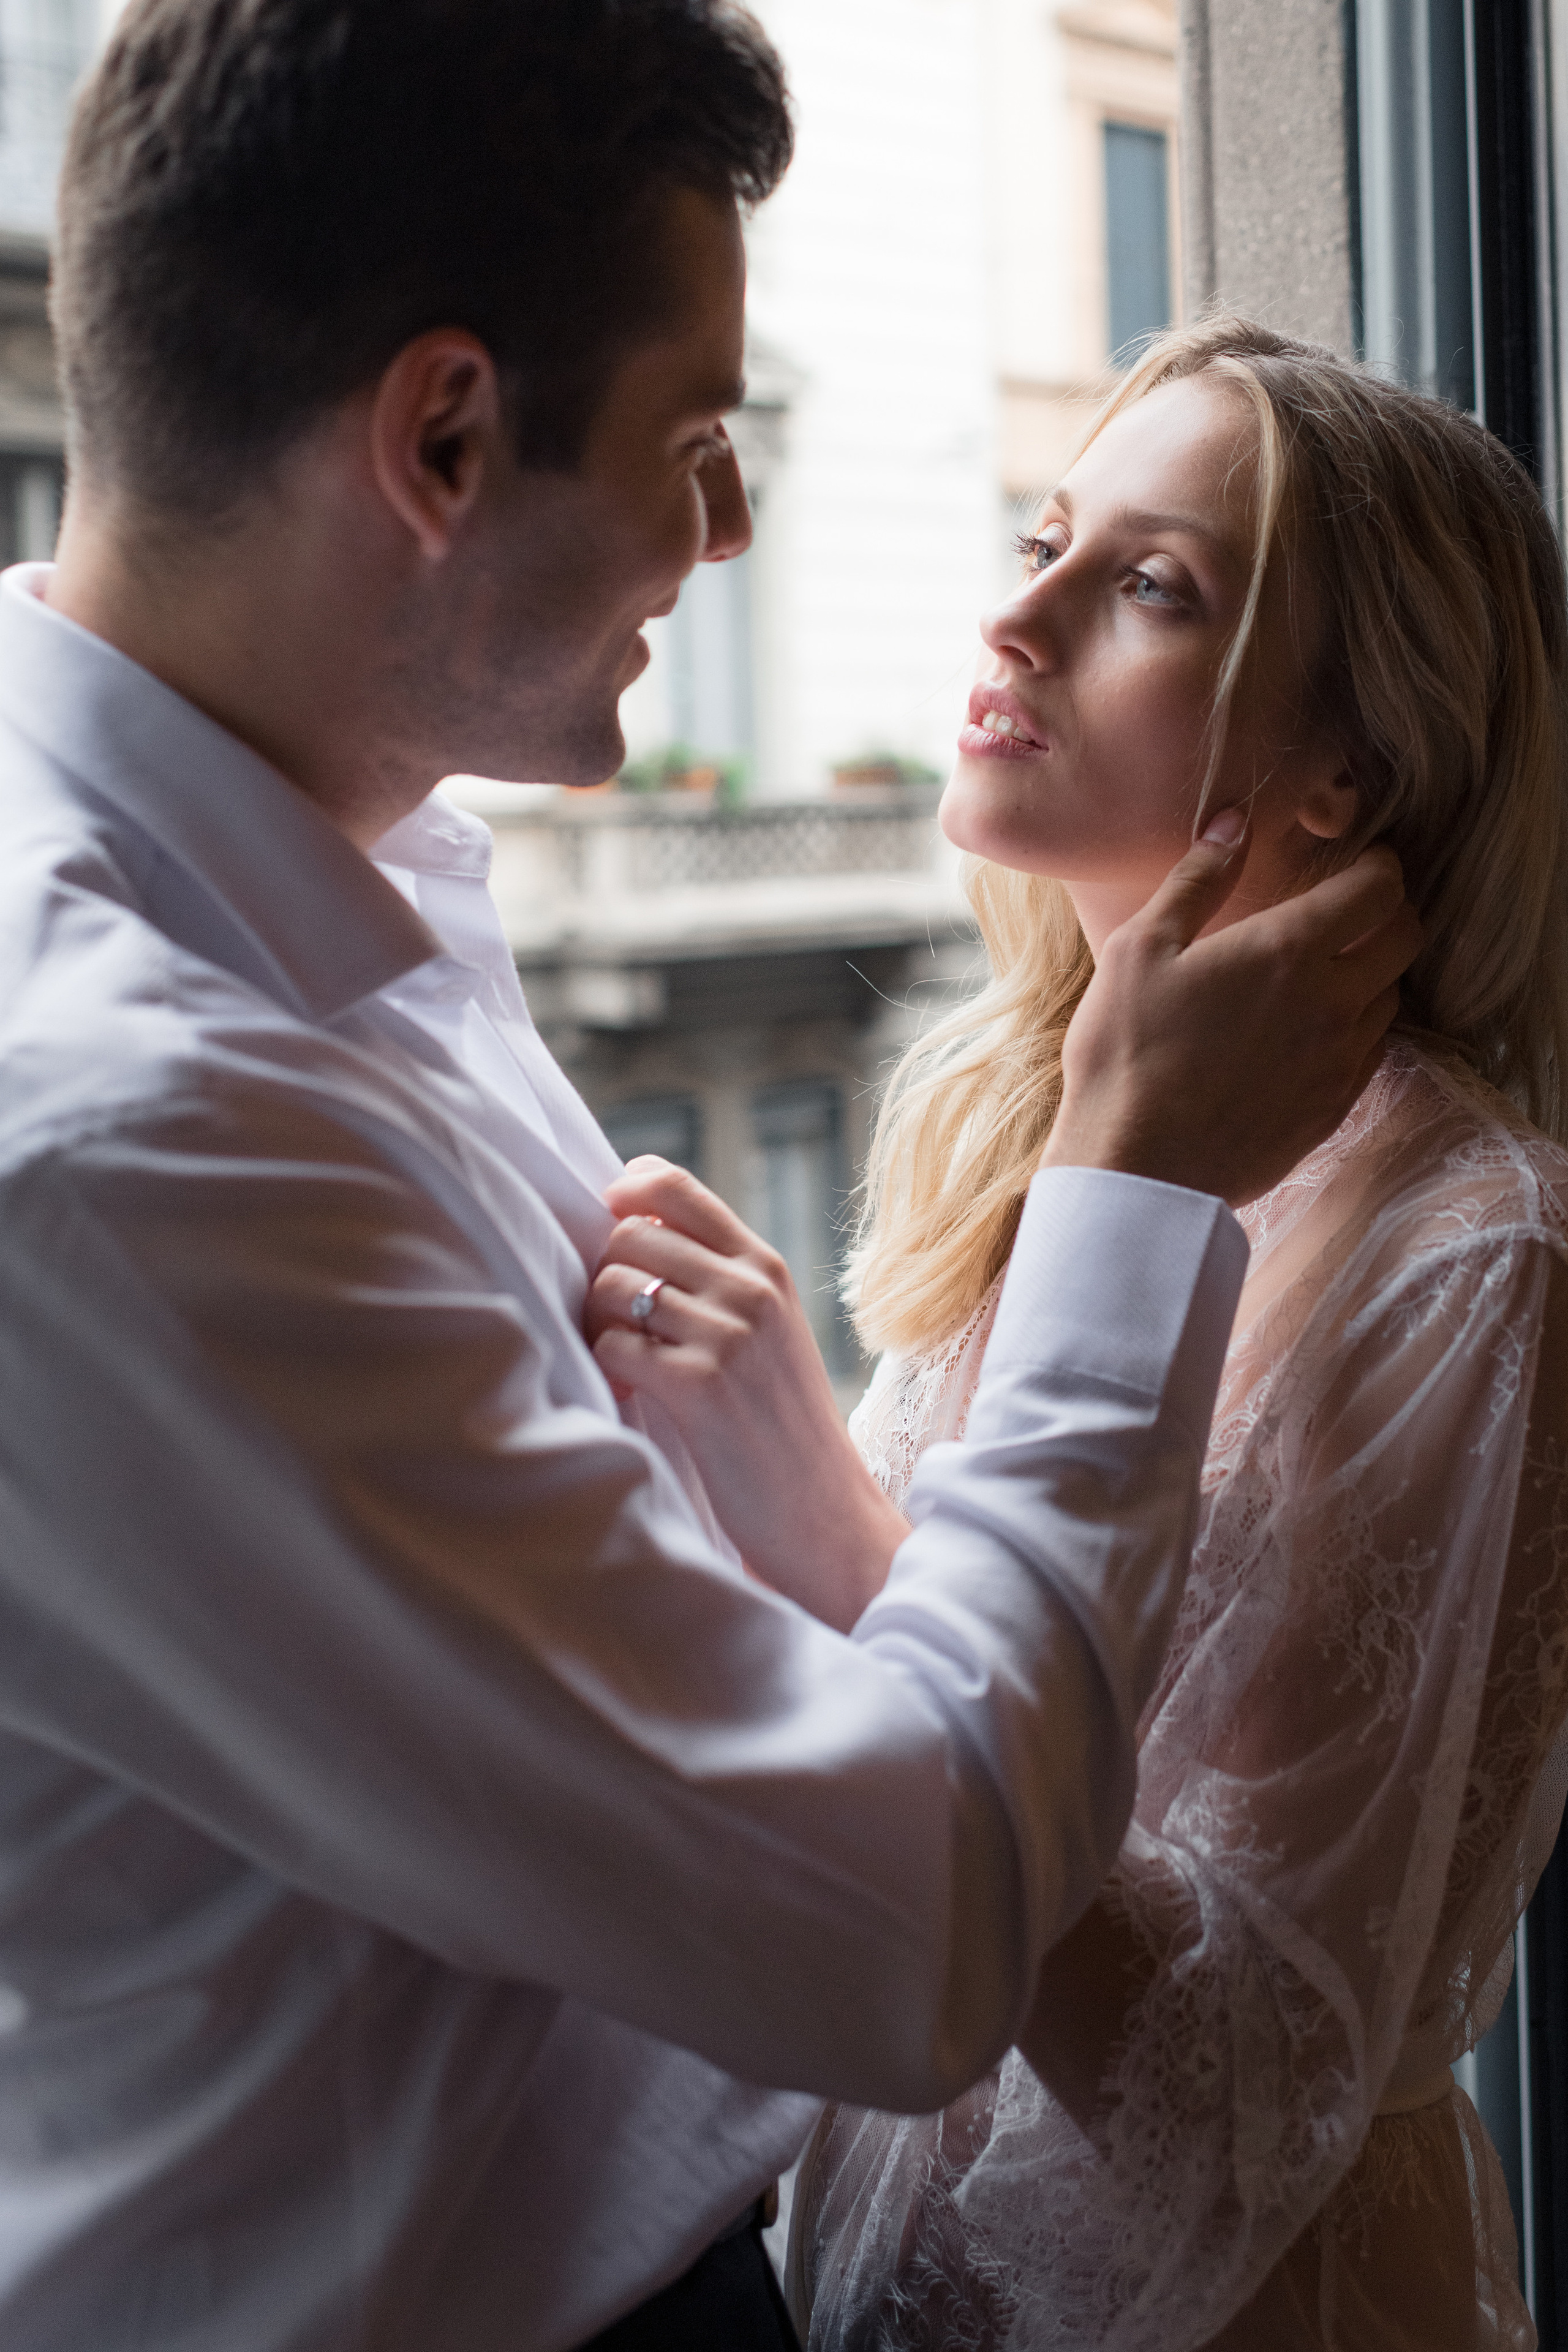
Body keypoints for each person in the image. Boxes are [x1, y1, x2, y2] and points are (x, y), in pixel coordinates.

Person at [0, 2, 1417, 2342]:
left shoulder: (325, 874)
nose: (728, 523)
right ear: (442, 438)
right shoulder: (134, 1133)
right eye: (696, 442)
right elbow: (905, 1931)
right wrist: (1136, 1184)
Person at [590, 317, 1568, 2349]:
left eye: (1147, 586)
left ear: (1347, 776)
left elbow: (1229, 2100)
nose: (1014, 611)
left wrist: (828, 1526)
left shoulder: (1474, 1252)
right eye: (1044, 537)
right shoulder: (1028, 1131)